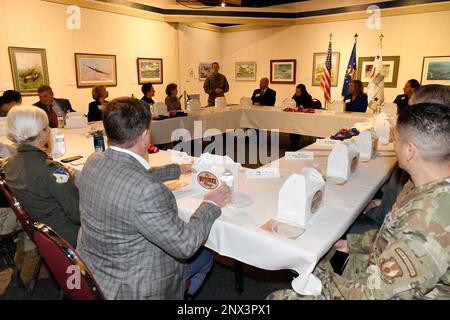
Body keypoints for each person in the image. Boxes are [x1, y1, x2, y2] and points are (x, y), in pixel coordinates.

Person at [268, 102, 450, 300]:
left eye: (395, 139)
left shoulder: (428, 223)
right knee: (316, 252)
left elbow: (373, 295)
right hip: (384, 269)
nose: (392, 143)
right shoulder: (423, 185)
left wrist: (320, 279)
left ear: (409, 151)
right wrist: (352, 243)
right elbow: (393, 234)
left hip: (379, 291)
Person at [76, 97, 231, 300]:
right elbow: (185, 245)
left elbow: (128, 173)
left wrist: (176, 170)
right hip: (133, 288)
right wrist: (210, 203)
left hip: (91, 271)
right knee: (206, 254)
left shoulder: (94, 161)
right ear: (145, 135)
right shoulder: (147, 191)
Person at [348, 84, 450, 235]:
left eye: (412, 108)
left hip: (385, 228)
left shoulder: (424, 171)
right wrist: (382, 203)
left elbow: (395, 228)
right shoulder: (435, 161)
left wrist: (376, 210)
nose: (406, 113)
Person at [3, 106, 80, 246]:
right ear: (40, 134)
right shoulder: (53, 170)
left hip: (41, 233)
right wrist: (67, 178)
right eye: (46, 127)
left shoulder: (9, 164)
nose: (49, 130)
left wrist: (64, 176)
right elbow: (78, 212)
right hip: (68, 236)